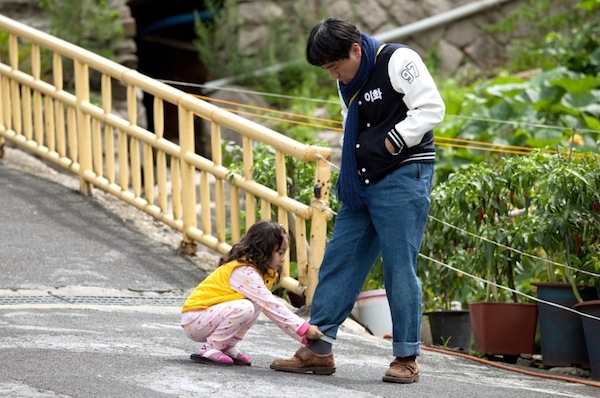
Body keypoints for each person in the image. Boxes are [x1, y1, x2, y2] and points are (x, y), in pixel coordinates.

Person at [270, 17, 445, 383]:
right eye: (327, 70)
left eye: (335, 66)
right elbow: (352, 121)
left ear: (355, 49)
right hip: (361, 181)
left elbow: (431, 109)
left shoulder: (398, 60)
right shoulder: (345, 81)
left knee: (399, 266)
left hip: (403, 173)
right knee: (340, 258)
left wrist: (393, 140)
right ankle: (318, 349)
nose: (334, 75)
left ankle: (406, 356)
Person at [181, 219, 324, 366]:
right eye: (280, 253)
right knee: (246, 307)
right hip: (195, 319)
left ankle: (226, 345)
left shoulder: (259, 272)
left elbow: (270, 309)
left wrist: (303, 337)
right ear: (263, 250)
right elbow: (273, 306)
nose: (283, 258)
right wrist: (303, 329)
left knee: (255, 304)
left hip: (206, 318)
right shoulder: (243, 271)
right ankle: (211, 347)